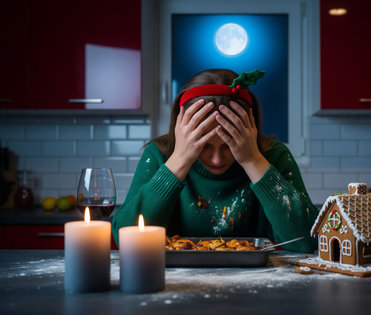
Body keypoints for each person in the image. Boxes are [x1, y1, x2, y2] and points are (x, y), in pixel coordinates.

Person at [112, 69, 318, 252]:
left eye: (229, 145)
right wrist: (180, 160)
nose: (217, 159)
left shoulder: (273, 156)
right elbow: (126, 239)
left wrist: (252, 159)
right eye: (204, 146)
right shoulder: (159, 156)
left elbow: (306, 241)